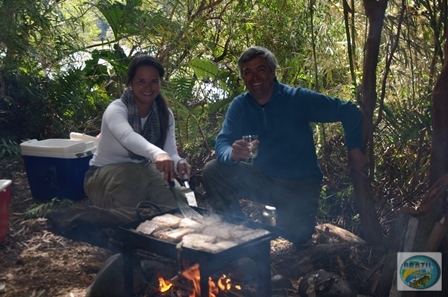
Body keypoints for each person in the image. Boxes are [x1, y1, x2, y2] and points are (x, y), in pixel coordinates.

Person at [202, 46, 368, 248]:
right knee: (213, 170)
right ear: (243, 78)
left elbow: (349, 111)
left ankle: (286, 225)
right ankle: (234, 233)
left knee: (296, 238)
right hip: (262, 179)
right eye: (247, 72)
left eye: (261, 69)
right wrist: (232, 153)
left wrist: (354, 150)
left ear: (272, 72)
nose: (254, 76)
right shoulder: (241, 105)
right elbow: (222, 143)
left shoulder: (296, 99)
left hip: (299, 186)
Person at [84, 54, 191, 213]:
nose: (148, 88)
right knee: (133, 177)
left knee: (175, 200)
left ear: (160, 83)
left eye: (154, 82)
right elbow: (127, 136)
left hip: (143, 170)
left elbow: (170, 153)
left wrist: (179, 162)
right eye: (141, 81)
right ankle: (125, 223)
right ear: (130, 84)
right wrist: (156, 153)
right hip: (102, 177)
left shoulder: (164, 113)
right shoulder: (116, 109)